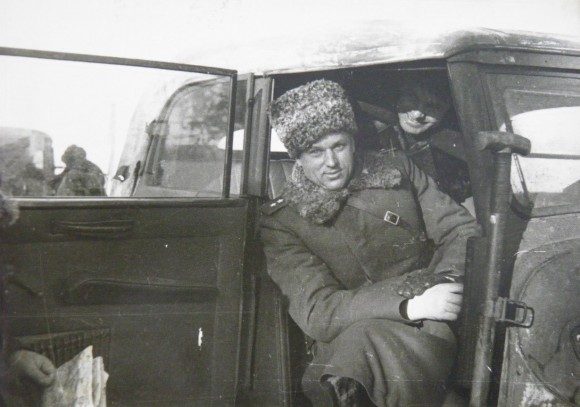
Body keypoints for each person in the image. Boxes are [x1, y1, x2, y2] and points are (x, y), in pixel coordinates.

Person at [260, 80, 481, 406]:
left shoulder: (398, 170)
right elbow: (319, 311)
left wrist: (441, 283)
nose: (331, 162)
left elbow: (461, 230)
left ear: (353, 142)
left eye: (338, 146)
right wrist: (409, 303)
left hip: (432, 324)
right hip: (353, 340)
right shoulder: (283, 221)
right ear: (298, 158)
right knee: (361, 353)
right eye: (316, 152)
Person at [364, 75, 471, 204]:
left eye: (433, 106)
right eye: (412, 98)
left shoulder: (457, 148)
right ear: (399, 94)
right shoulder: (371, 132)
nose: (417, 114)